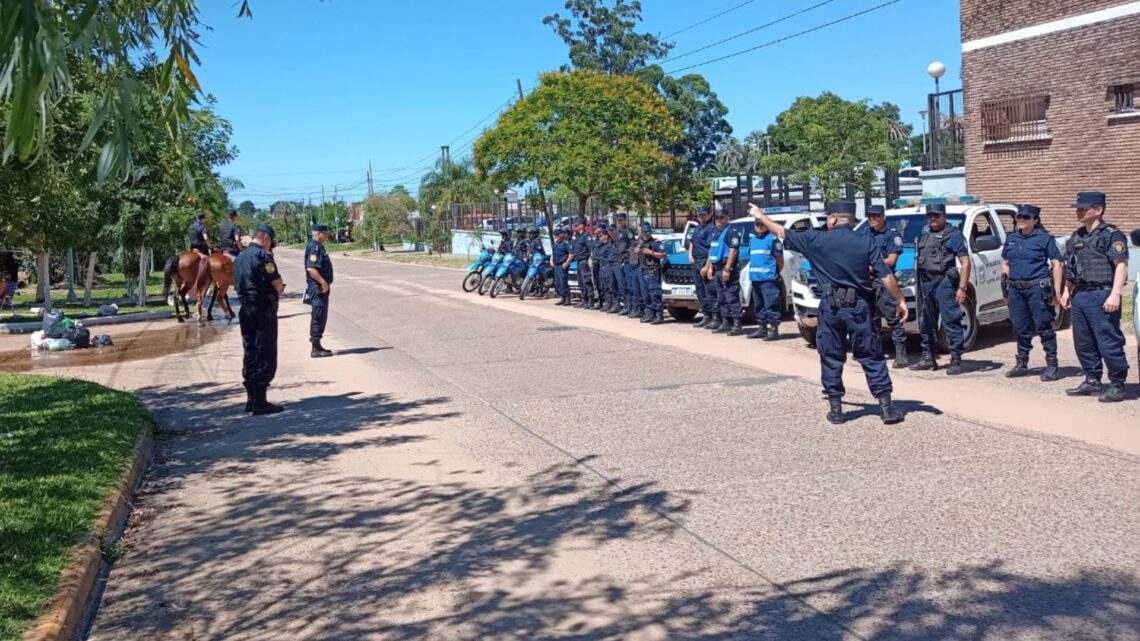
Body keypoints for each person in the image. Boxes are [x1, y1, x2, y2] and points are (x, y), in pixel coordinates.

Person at [753, 201, 905, 425]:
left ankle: (836, 409)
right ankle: (886, 407)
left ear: (833, 218)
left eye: (827, 218)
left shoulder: (817, 239)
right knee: (870, 354)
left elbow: (780, 231)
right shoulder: (866, 240)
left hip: (831, 308)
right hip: (859, 308)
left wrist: (761, 215)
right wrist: (900, 300)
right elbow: (886, 275)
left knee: (831, 355)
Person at [1061, 192, 1129, 402]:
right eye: (1078, 208)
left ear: (1098, 210)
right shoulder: (1077, 236)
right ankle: (1092, 380)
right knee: (1083, 342)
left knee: (1108, 341)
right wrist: (1066, 290)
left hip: (1102, 294)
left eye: (1083, 208)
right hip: (1081, 295)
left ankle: (1117, 384)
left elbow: (1121, 265)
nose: (1078, 211)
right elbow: (1071, 268)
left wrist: (1115, 294)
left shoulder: (1112, 235)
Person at [1001, 204, 1064, 381]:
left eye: (1026, 218)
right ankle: (1022, 363)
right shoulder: (1011, 238)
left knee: (1044, 326)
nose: (1021, 220)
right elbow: (1005, 262)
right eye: (1019, 217)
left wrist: (1057, 291)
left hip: (1037, 288)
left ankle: (1052, 364)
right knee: (1019, 328)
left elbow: (1057, 264)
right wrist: (1005, 286)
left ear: (1035, 220)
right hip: (1015, 289)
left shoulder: (1044, 238)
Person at [910, 204, 971, 376]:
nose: (933, 219)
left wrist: (962, 288)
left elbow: (965, 263)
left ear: (944, 215)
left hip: (944, 281)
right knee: (925, 321)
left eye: (936, 216)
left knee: (951, 320)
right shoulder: (925, 234)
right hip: (926, 282)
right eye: (930, 216)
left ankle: (956, 359)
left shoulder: (954, 235)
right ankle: (928, 356)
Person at [233, 223, 285, 415]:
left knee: (250, 351)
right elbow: (277, 284)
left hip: (245, 309)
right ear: (265, 239)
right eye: (270, 242)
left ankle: (251, 400)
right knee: (265, 351)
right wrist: (279, 289)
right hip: (262, 310)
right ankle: (261, 402)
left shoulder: (239, 258)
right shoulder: (264, 256)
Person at [861, 204, 908, 367]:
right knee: (870, 319)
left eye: (875, 215)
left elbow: (891, 260)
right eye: (869, 215)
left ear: (883, 217)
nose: (872, 219)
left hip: (885, 281)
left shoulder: (891, 235)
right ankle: (875, 352)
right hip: (867, 282)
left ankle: (901, 354)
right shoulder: (864, 233)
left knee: (892, 318)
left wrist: (871, 266)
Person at [706, 210, 744, 336]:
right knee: (721, 297)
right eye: (717, 217)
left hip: (727, 268)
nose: (719, 220)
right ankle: (726, 322)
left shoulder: (731, 232)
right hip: (717, 268)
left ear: (727, 218)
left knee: (731, 296)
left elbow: (733, 251)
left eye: (721, 217)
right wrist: (710, 267)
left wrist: (727, 269)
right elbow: (713, 251)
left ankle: (737, 324)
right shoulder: (715, 233)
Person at [746, 217, 784, 340]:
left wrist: (775, 273)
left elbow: (780, 260)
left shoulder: (773, 240)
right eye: (757, 225)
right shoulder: (752, 240)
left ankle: (773, 329)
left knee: (771, 304)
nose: (760, 226)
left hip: (769, 279)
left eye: (762, 224)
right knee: (758, 305)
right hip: (755, 278)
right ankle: (762, 328)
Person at [305, 224, 335, 358]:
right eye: (325, 233)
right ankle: (315, 348)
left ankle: (317, 344)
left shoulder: (319, 247)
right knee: (318, 315)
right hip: (318, 288)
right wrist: (323, 282)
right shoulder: (314, 247)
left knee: (321, 315)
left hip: (322, 288)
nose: (327, 236)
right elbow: (311, 268)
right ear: (318, 234)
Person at [689, 207, 716, 327]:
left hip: (705, 262)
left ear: (709, 215)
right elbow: (692, 243)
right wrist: (690, 255)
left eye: (704, 215)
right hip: (696, 262)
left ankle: (714, 317)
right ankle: (707, 316)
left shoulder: (711, 229)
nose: (701, 217)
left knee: (709, 292)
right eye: (699, 215)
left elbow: (712, 247)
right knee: (700, 292)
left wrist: (707, 265)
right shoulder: (697, 228)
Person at [638, 221, 666, 325]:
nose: (645, 234)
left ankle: (659, 314)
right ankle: (650, 313)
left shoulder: (655, 243)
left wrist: (651, 253)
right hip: (643, 270)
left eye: (647, 232)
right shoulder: (642, 244)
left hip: (652, 271)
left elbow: (663, 255)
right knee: (646, 294)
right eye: (644, 232)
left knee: (655, 293)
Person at [571, 218, 595, 308]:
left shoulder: (586, 236)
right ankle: (584, 300)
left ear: (582, 225)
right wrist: (574, 235)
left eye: (576, 225)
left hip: (584, 260)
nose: (575, 227)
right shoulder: (577, 236)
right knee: (581, 281)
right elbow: (573, 246)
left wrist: (590, 259)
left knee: (586, 280)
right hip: (578, 260)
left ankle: (590, 300)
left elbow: (591, 248)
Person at [615, 213, 634, 314]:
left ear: (625, 220)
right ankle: (626, 305)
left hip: (627, 260)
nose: (620, 222)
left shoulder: (628, 231)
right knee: (622, 285)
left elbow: (632, 245)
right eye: (618, 220)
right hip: (619, 260)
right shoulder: (617, 232)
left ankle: (631, 306)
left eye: (621, 220)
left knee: (629, 284)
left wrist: (629, 257)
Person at [626, 227, 647, 318]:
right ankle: (636, 308)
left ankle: (642, 309)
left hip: (642, 268)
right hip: (634, 267)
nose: (640, 233)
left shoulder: (647, 243)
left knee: (642, 290)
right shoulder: (635, 241)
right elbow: (631, 253)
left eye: (641, 231)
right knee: (635, 290)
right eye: (639, 231)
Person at [552, 226, 572, 305]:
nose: (556, 236)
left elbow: (571, 254)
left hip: (562, 265)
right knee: (557, 283)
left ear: (562, 234)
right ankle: (562, 297)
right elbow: (553, 253)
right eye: (555, 234)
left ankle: (567, 298)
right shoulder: (556, 243)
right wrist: (551, 261)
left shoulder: (565, 243)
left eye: (557, 234)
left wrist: (567, 263)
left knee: (563, 282)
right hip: (556, 266)